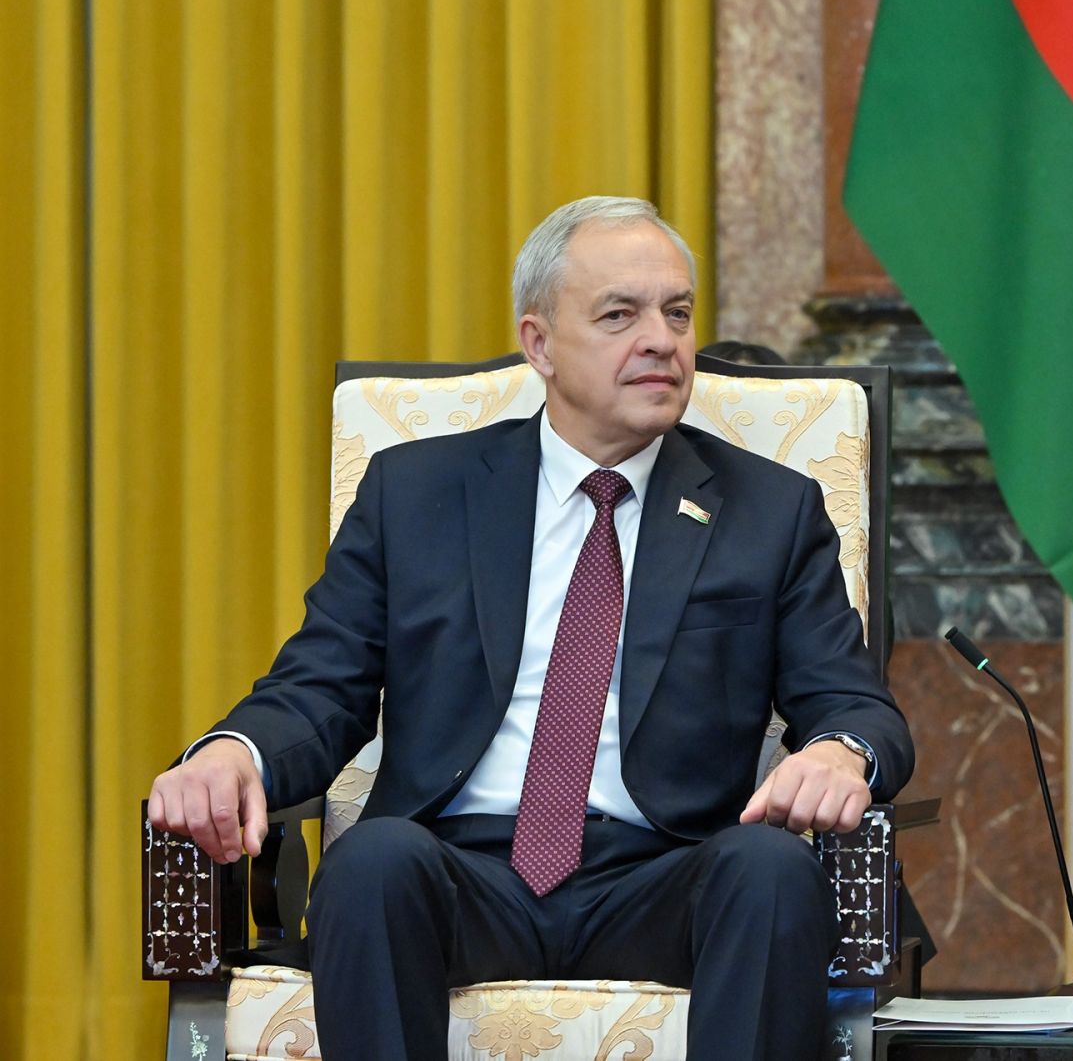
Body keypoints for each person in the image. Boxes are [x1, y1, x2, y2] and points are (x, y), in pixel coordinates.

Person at [146, 196, 914, 1061]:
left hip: (665, 879)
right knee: (370, 862)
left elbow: (855, 702)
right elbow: (321, 683)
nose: (661, 340)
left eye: (677, 312)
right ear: (539, 343)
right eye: (619, 315)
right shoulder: (416, 494)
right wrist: (234, 752)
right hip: (459, 875)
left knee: (772, 871)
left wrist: (841, 750)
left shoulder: (768, 510)